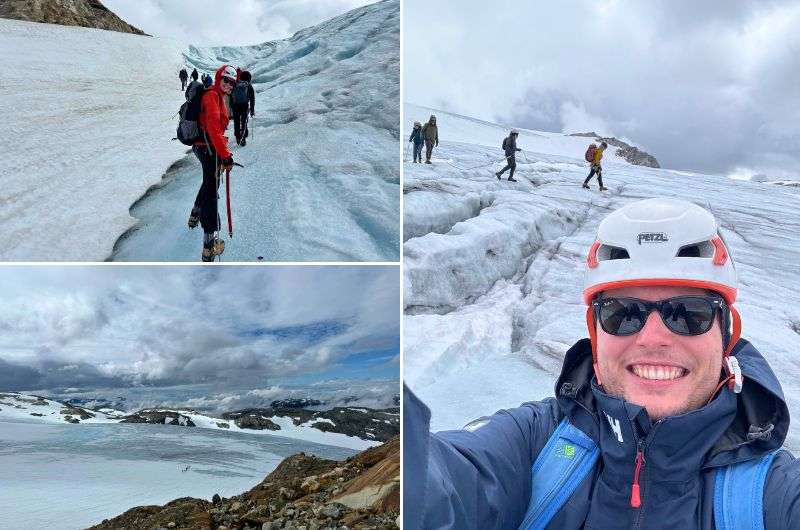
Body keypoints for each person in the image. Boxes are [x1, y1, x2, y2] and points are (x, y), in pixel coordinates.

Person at [404, 197, 800, 529]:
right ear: (596, 335)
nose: (654, 337)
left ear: (727, 334)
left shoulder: (773, 496)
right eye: (622, 313)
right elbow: (431, 485)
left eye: (689, 313)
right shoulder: (532, 445)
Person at [187, 64, 237, 262]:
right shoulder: (212, 96)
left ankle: (195, 213)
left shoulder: (217, 95)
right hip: (208, 148)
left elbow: (215, 131)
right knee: (211, 193)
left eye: (232, 82)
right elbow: (214, 130)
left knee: (210, 184)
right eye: (225, 80)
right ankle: (209, 245)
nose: (229, 85)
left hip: (205, 147)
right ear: (219, 78)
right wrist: (225, 155)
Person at [231, 70, 256, 146]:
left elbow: (231, 96)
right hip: (244, 106)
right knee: (244, 122)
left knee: (237, 122)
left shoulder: (235, 84)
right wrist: (252, 110)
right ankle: (243, 138)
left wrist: (231, 106)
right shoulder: (248, 85)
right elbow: (252, 99)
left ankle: (238, 137)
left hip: (235, 106)